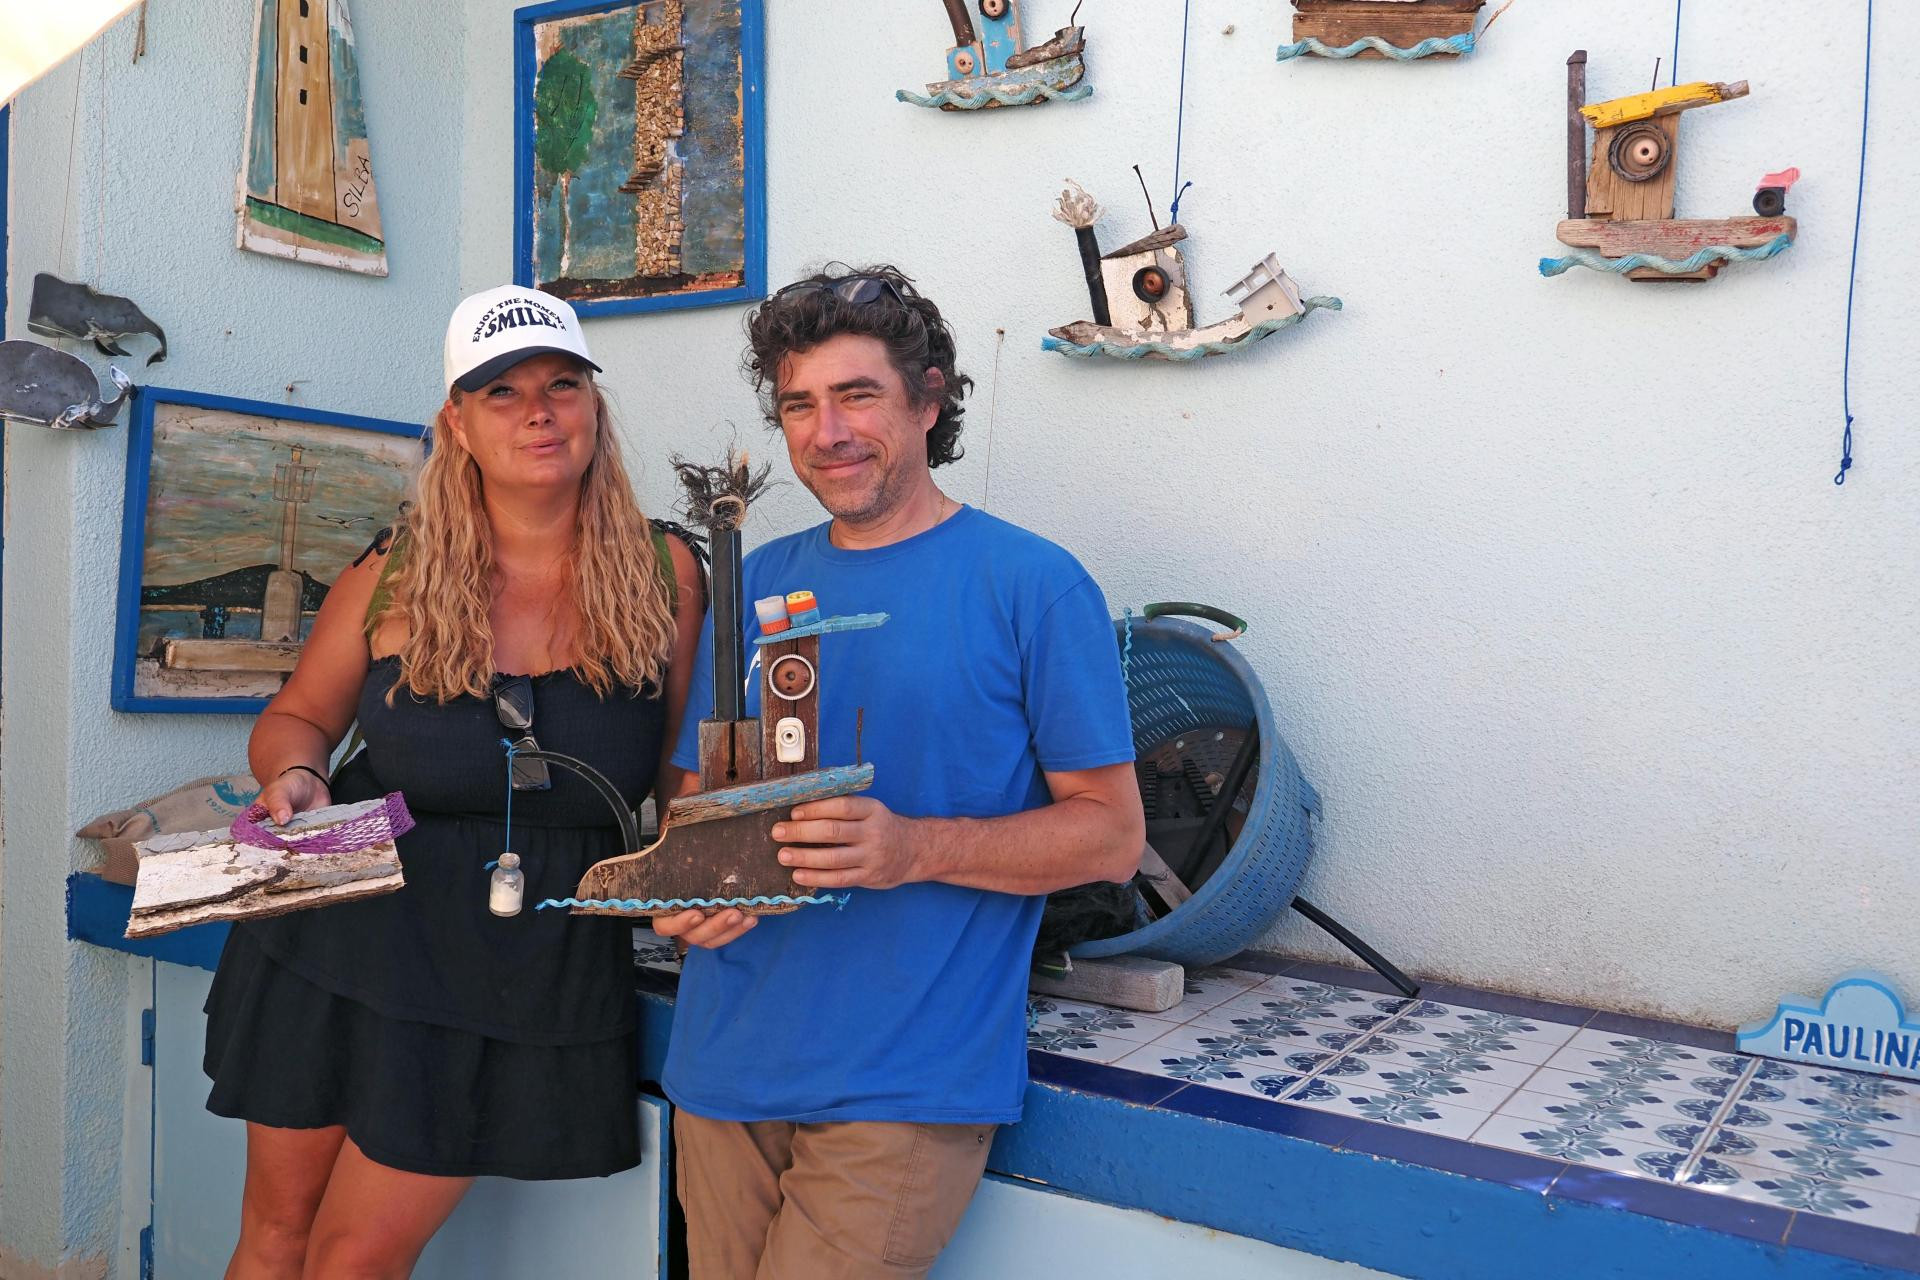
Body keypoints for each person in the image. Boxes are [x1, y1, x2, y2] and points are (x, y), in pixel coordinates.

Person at [201, 284, 704, 1278]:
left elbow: (683, 776)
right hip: (344, 912)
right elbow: (300, 717)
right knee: (274, 1236)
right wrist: (295, 775)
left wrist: (701, 870)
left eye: (562, 386)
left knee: (353, 1258)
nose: (538, 412)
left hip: (519, 950)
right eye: (503, 391)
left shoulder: (668, 571)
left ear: (594, 407)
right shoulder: (397, 565)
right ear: (458, 423)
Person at [654, 265, 1146, 1278]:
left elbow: (1111, 834)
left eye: (857, 395)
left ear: (927, 400)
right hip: (723, 1062)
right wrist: (690, 879)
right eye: (800, 404)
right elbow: (697, 801)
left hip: (903, 1080)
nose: (827, 431)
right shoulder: (756, 580)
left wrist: (910, 847)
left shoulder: (1033, 585)